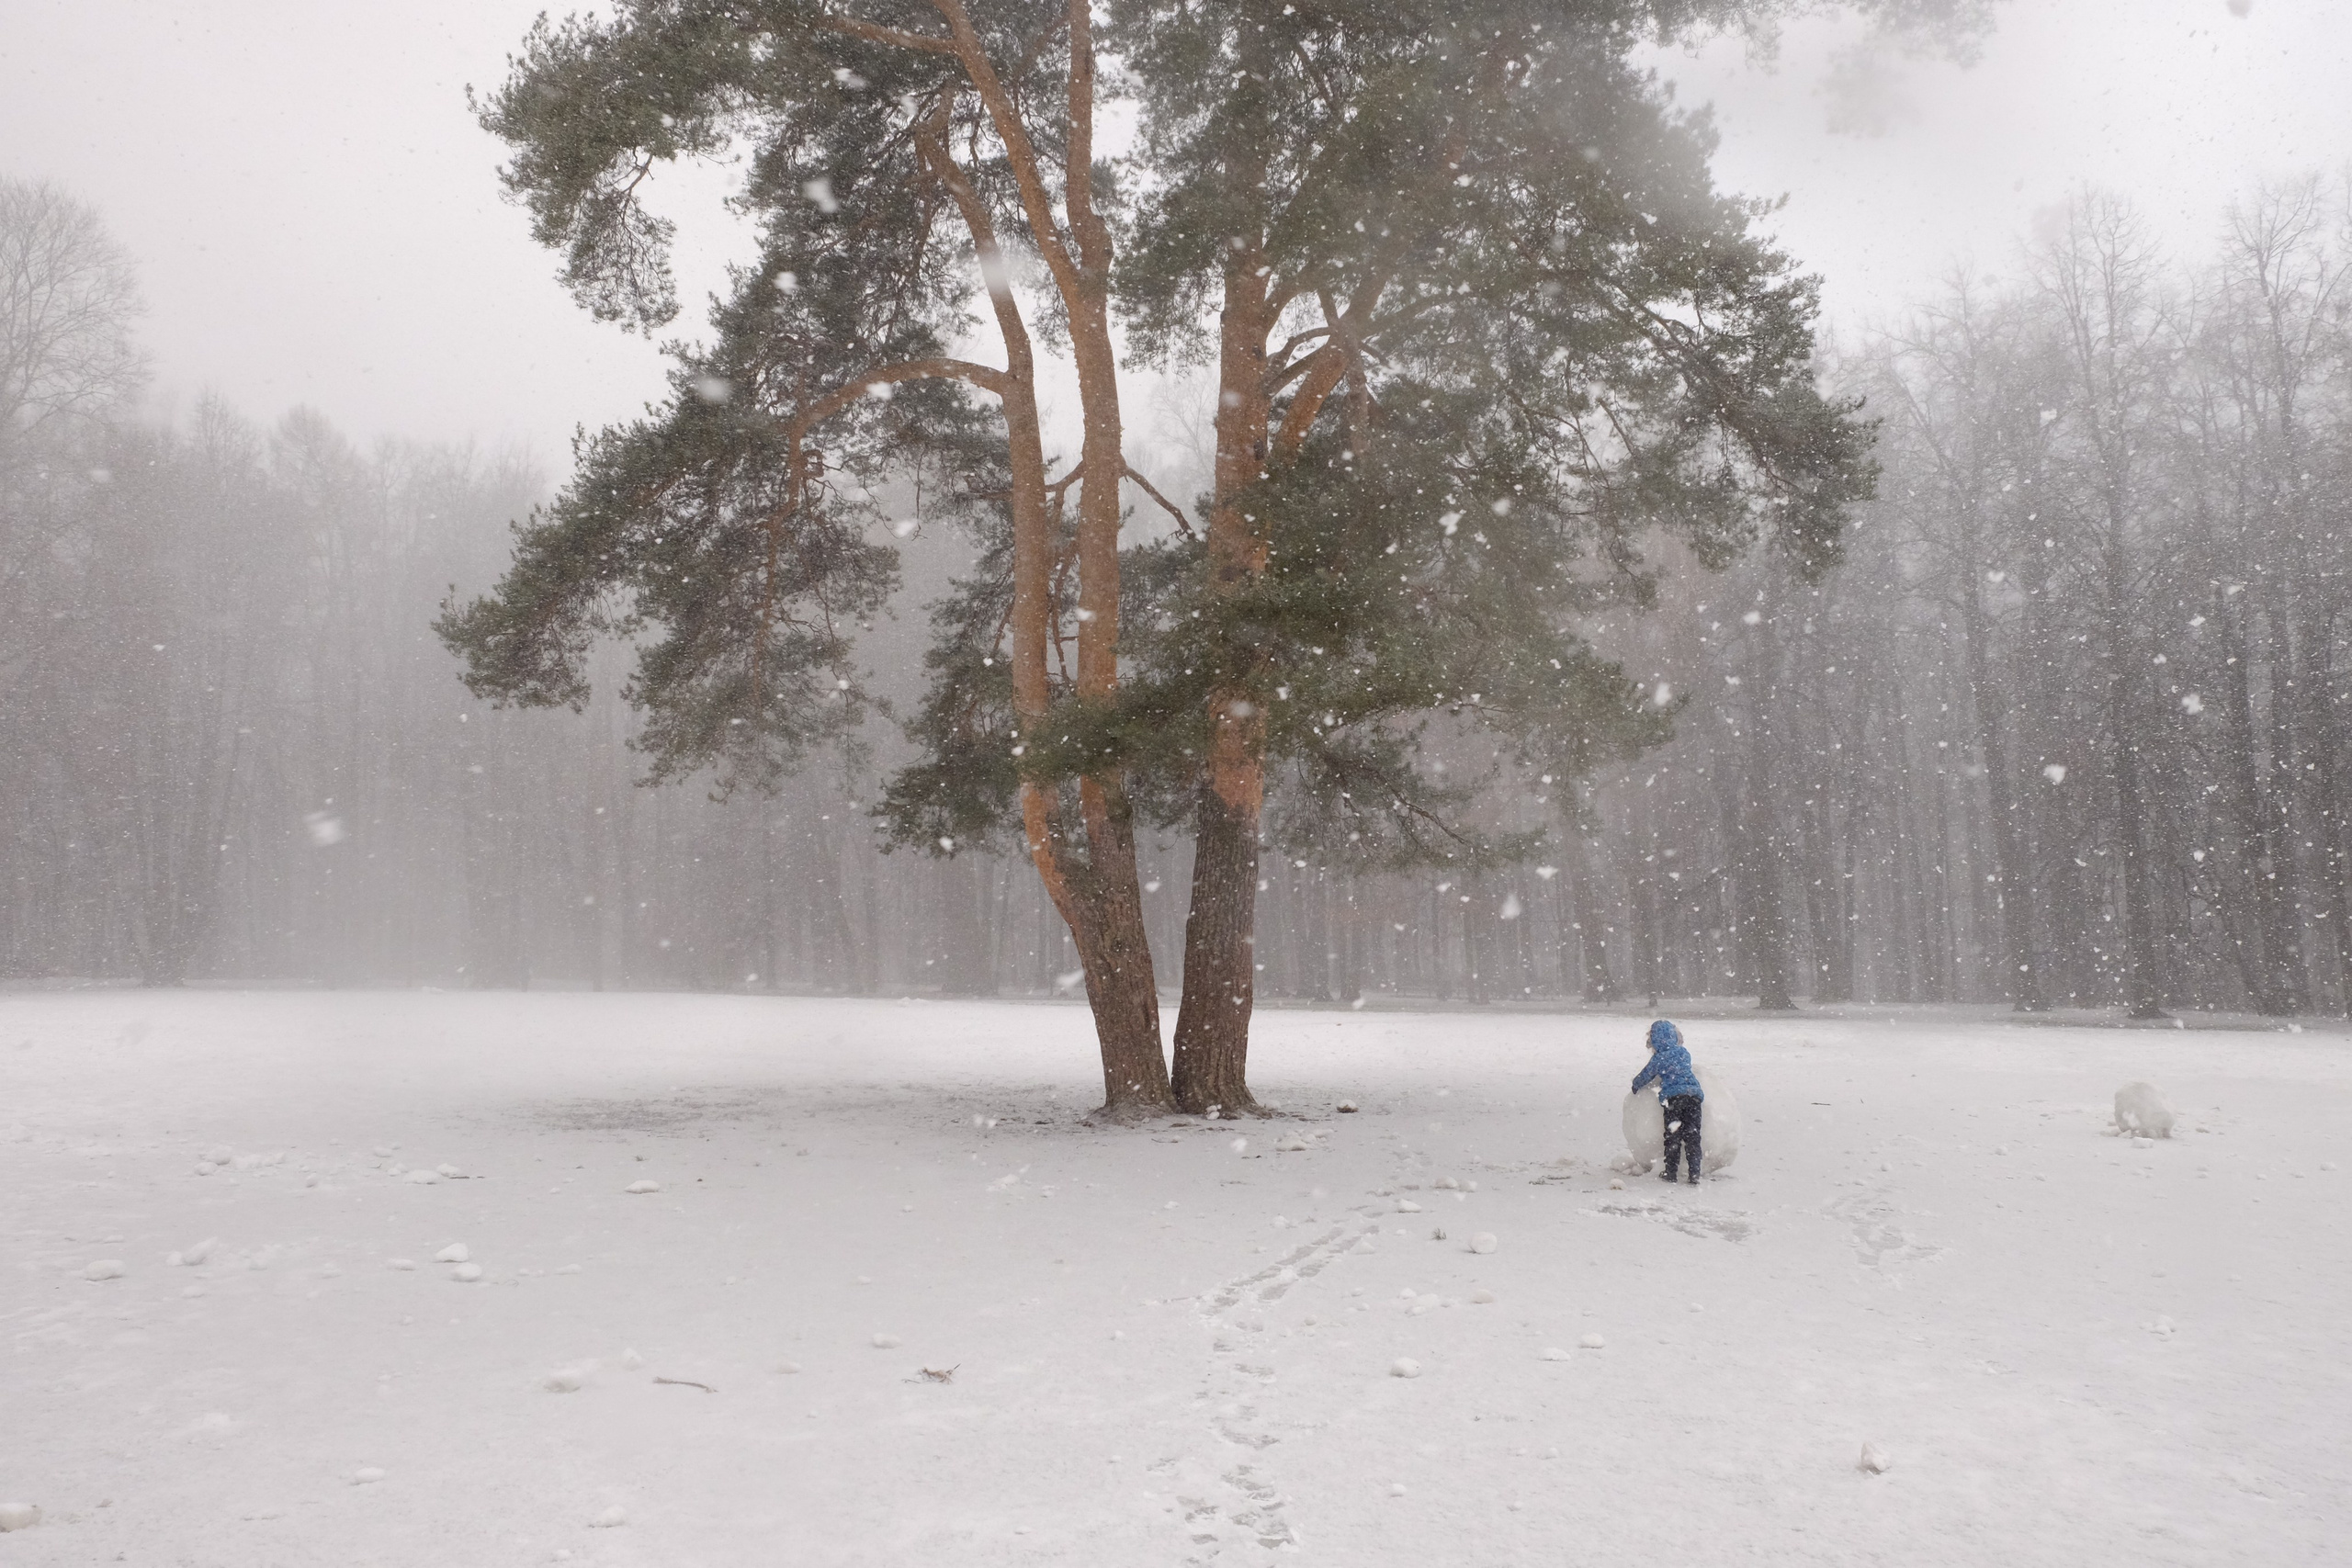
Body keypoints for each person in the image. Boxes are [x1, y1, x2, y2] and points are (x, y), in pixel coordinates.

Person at [1632, 1018, 1703, 1183]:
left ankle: (1671, 1172)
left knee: (1673, 1137)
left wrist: (1635, 1085)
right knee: (1693, 1136)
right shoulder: (1684, 1053)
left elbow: (1646, 1075)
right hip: (1693, 1096)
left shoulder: (1658, 1059)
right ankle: (1694, 1173)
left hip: (1673, 1099)